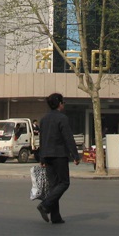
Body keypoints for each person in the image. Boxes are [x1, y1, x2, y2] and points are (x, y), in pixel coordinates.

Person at [35, 92, 80, 225]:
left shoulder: (44, 119)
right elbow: (68, 138)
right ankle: (45, 205)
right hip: (59, 155)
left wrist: (42, 158)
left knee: (54, 186)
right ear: (60, 104)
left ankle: (55, 217)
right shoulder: (62, 118)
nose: (63, 105)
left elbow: (42, 139)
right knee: (64, 183)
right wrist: (75, 155)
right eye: (63, 102)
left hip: (47, 155)